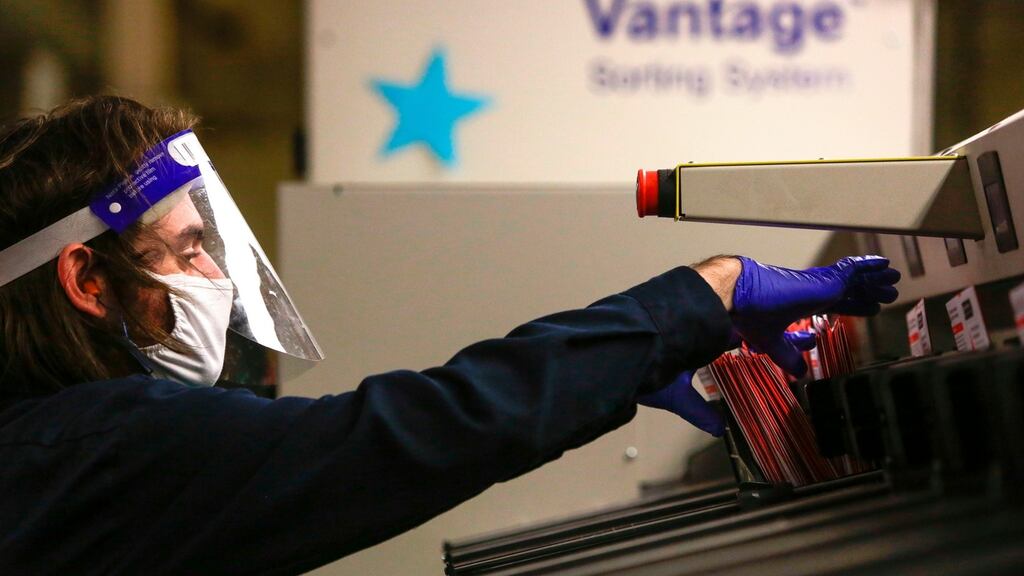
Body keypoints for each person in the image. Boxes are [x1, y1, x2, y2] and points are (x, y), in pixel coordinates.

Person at [0, 96, 899, 574]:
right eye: (191, 248)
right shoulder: (100, 449)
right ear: (86, 279)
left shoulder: (50, 447)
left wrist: (625, 368)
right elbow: (417, 430)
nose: (215, 277)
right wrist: (709, 295)